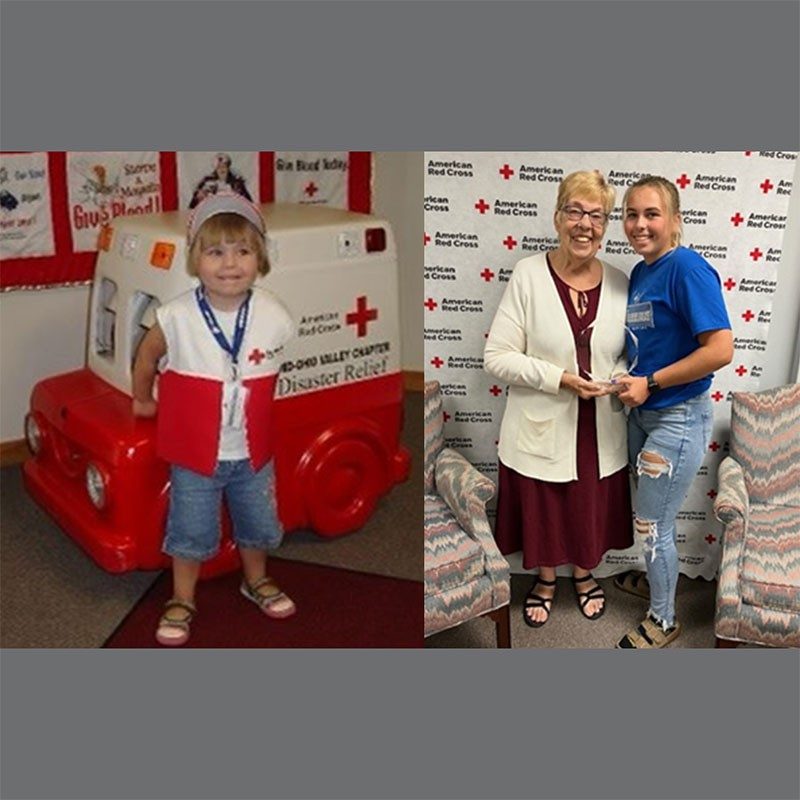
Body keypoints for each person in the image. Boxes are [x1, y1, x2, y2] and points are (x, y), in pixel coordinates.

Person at [133, 191, 296, 646]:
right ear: (195, 259)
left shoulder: (274, 315)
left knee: (258, 524)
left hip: (253, 451)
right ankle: (182, 597)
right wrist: (143, 399)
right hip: (194, 454)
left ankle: (256, 579)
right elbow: (146, 358)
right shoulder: (176, 316)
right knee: (190, 529)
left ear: (260, 258)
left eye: (243, 250)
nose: (230, 263)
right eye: (215, 251)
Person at [484, 170, 632, 629]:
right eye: (575, 211)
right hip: (542, 423)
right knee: (545, 504)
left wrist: (623, 379)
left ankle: (585, 575)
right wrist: (560, 378)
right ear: (557, 217)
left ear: (606, 226)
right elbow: (497, 357)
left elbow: (632, 351)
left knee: (588, 503)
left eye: (597, 215)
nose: (585, 224)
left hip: (599, 425)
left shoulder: (622, 281)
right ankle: (546, 580)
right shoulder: (528, 274)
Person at [614, 175, 733, 649]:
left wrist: (652, 382)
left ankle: (663, 619)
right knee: (651, 515)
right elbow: (652, 344)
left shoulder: (687, 268)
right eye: (631, 214)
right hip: (644, 414)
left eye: (651, 214)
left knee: (653, 523)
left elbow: (721, 349)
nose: (639, 224)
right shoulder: (643, 271)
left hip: (677, 418)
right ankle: (658, 578)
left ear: (676, 221)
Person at [189, 152, 253, 208]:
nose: (222, 169)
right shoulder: (207, 181)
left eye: (224, 166)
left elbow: (248, 202)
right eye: (219, 167)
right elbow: (194, 203)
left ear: (228, 168)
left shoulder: (237, 182)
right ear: (215, 169)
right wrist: (201, 195)